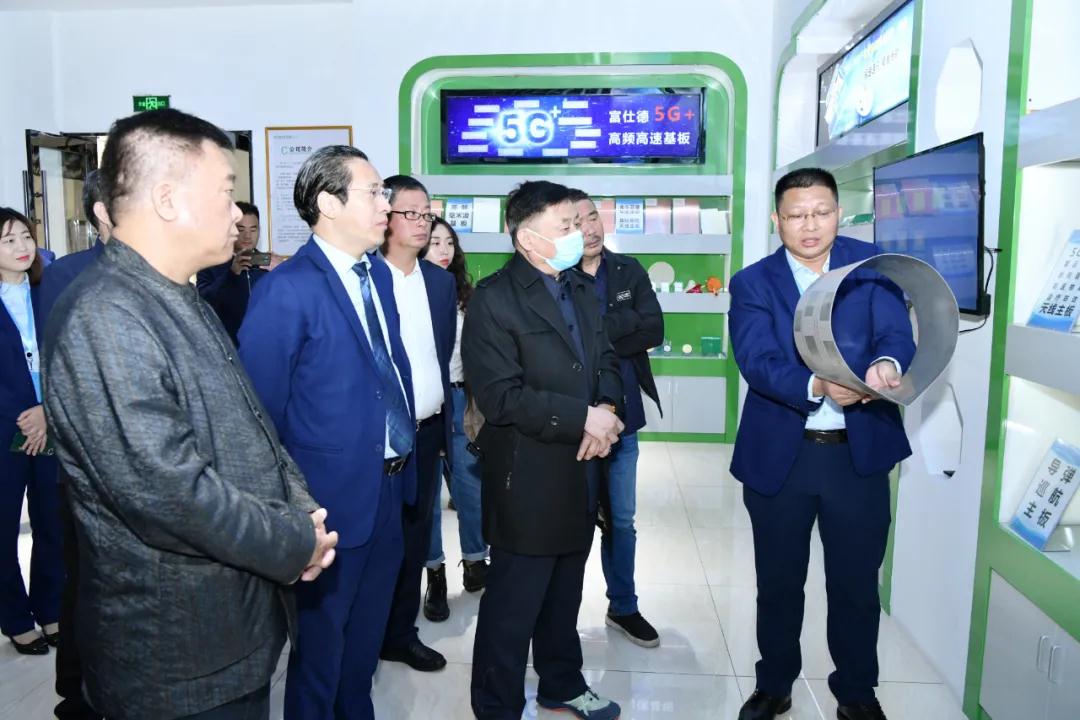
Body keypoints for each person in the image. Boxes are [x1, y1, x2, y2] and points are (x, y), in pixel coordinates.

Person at [42, 108, 337, 720]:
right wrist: (293, 541)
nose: (236, 215)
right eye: (225, 192)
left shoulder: (180, 294)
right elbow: (170, 494)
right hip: (178, 657)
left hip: (230, 629)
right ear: (168, 199)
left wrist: (299, 507)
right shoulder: (106, 316)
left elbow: (251, 426)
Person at [238, 146, 416, 720]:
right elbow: (259, 416)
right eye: (374, 193)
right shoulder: (286, 289)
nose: (386, 205)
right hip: (326, 504)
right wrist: (288, 510)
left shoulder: (377, 276)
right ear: (328, 203)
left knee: (364, 645)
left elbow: (385, 373)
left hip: (389, 489)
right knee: (320, 654)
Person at [729, 168, 914, 720]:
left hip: (857, 457)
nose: (810, 226)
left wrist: (887, 363)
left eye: (821, 212)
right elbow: (757, 360)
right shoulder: (753, 282)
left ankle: (856, 691)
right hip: (782, 459)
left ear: (838, 212)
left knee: (856, 585)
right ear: (777, 219)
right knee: (779, 583)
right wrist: (817, 385)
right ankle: (774, 684)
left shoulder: (871, 266)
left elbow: (895, 333)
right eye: (796, 215)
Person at [464, 180, 624, 720]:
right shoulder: (494, 299)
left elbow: (606, 358)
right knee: (514, 604)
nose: (580, 233)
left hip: (583, 467)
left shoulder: (579, 286)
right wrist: (583, 417)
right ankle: (497, 706)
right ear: (528, 239)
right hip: (527, 475)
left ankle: (562, 684)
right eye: (566, 226)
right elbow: (500, 398)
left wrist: (606, 409)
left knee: (564, 594)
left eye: (578, 223)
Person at [571, 188, 663, 649]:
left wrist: (594, 334)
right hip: (570, 424)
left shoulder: (628, 270)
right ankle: (559, 614)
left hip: (623, 418)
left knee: (621, 520)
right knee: (569, 521)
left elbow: (655, 329)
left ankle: (623, 605)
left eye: (593, 216)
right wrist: (622, 325)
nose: (590, 228)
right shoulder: (555, 277)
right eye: (576, 221)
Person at [375, 175, 456, 672]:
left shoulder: (439, 283)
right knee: (374, 541)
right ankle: (366, 632)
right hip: (377, 438)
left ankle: (400, 634)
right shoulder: (364, 277)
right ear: (384, 216)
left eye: (427, 213)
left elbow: (439, 358)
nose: (423, 222)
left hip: (427, 432)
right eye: (411, 213)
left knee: (414, 537)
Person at [39, 170, 111, 720]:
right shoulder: (67, 274)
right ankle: (76, 691)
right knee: (85, 575)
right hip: (87, 458)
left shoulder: (169, 270)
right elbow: (58, 363)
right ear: (103, 211)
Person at [0, 207, 63, 657]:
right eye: (8, 240)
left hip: (51, 421)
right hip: (7, 426)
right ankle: (16, 618)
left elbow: (67, 352)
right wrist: (26, 414)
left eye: (25, 236)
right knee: (5, 527)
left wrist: (46, 410)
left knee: (52, 520)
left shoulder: (50, 291)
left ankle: (51, 607)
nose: (22, 247)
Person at [421, 216, 489, 623]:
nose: (444, 250)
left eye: (449, 242)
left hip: (463, 401)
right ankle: (435, 573)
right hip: (428, 405)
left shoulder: (467, 295)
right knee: (428, 498)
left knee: (470, 489)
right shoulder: (409, 291)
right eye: (435, 242)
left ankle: (476, 561)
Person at [196, 201, 281, 346]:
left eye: (253, 230)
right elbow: (202, 305)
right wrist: (231, 274)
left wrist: (283, 272)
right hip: (227, 347)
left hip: (266, 347)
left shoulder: (271, 265)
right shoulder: (210, 264)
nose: (247, 236)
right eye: (241, 229)